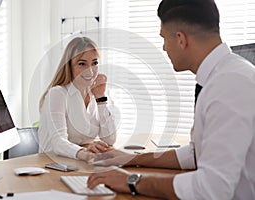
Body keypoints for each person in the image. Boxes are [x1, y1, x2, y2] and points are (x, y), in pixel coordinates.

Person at [87, 0, 255, 199]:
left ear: (181, 39)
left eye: (164, 38)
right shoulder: (225, 75)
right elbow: (194, 154)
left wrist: (131, 180)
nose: (164, 47)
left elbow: (210, 189)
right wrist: (131, 158)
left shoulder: (229, 84)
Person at [38, 37, 117, 161]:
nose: (90, 71)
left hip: (78, 163)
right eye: (82, 64)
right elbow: (59, 142)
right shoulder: (58, 94)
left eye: (94, 63)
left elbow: (110, 139)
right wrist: (84, 153)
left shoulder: (94, 95)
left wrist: (100, 98)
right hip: (52, 165)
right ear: (69, 66)